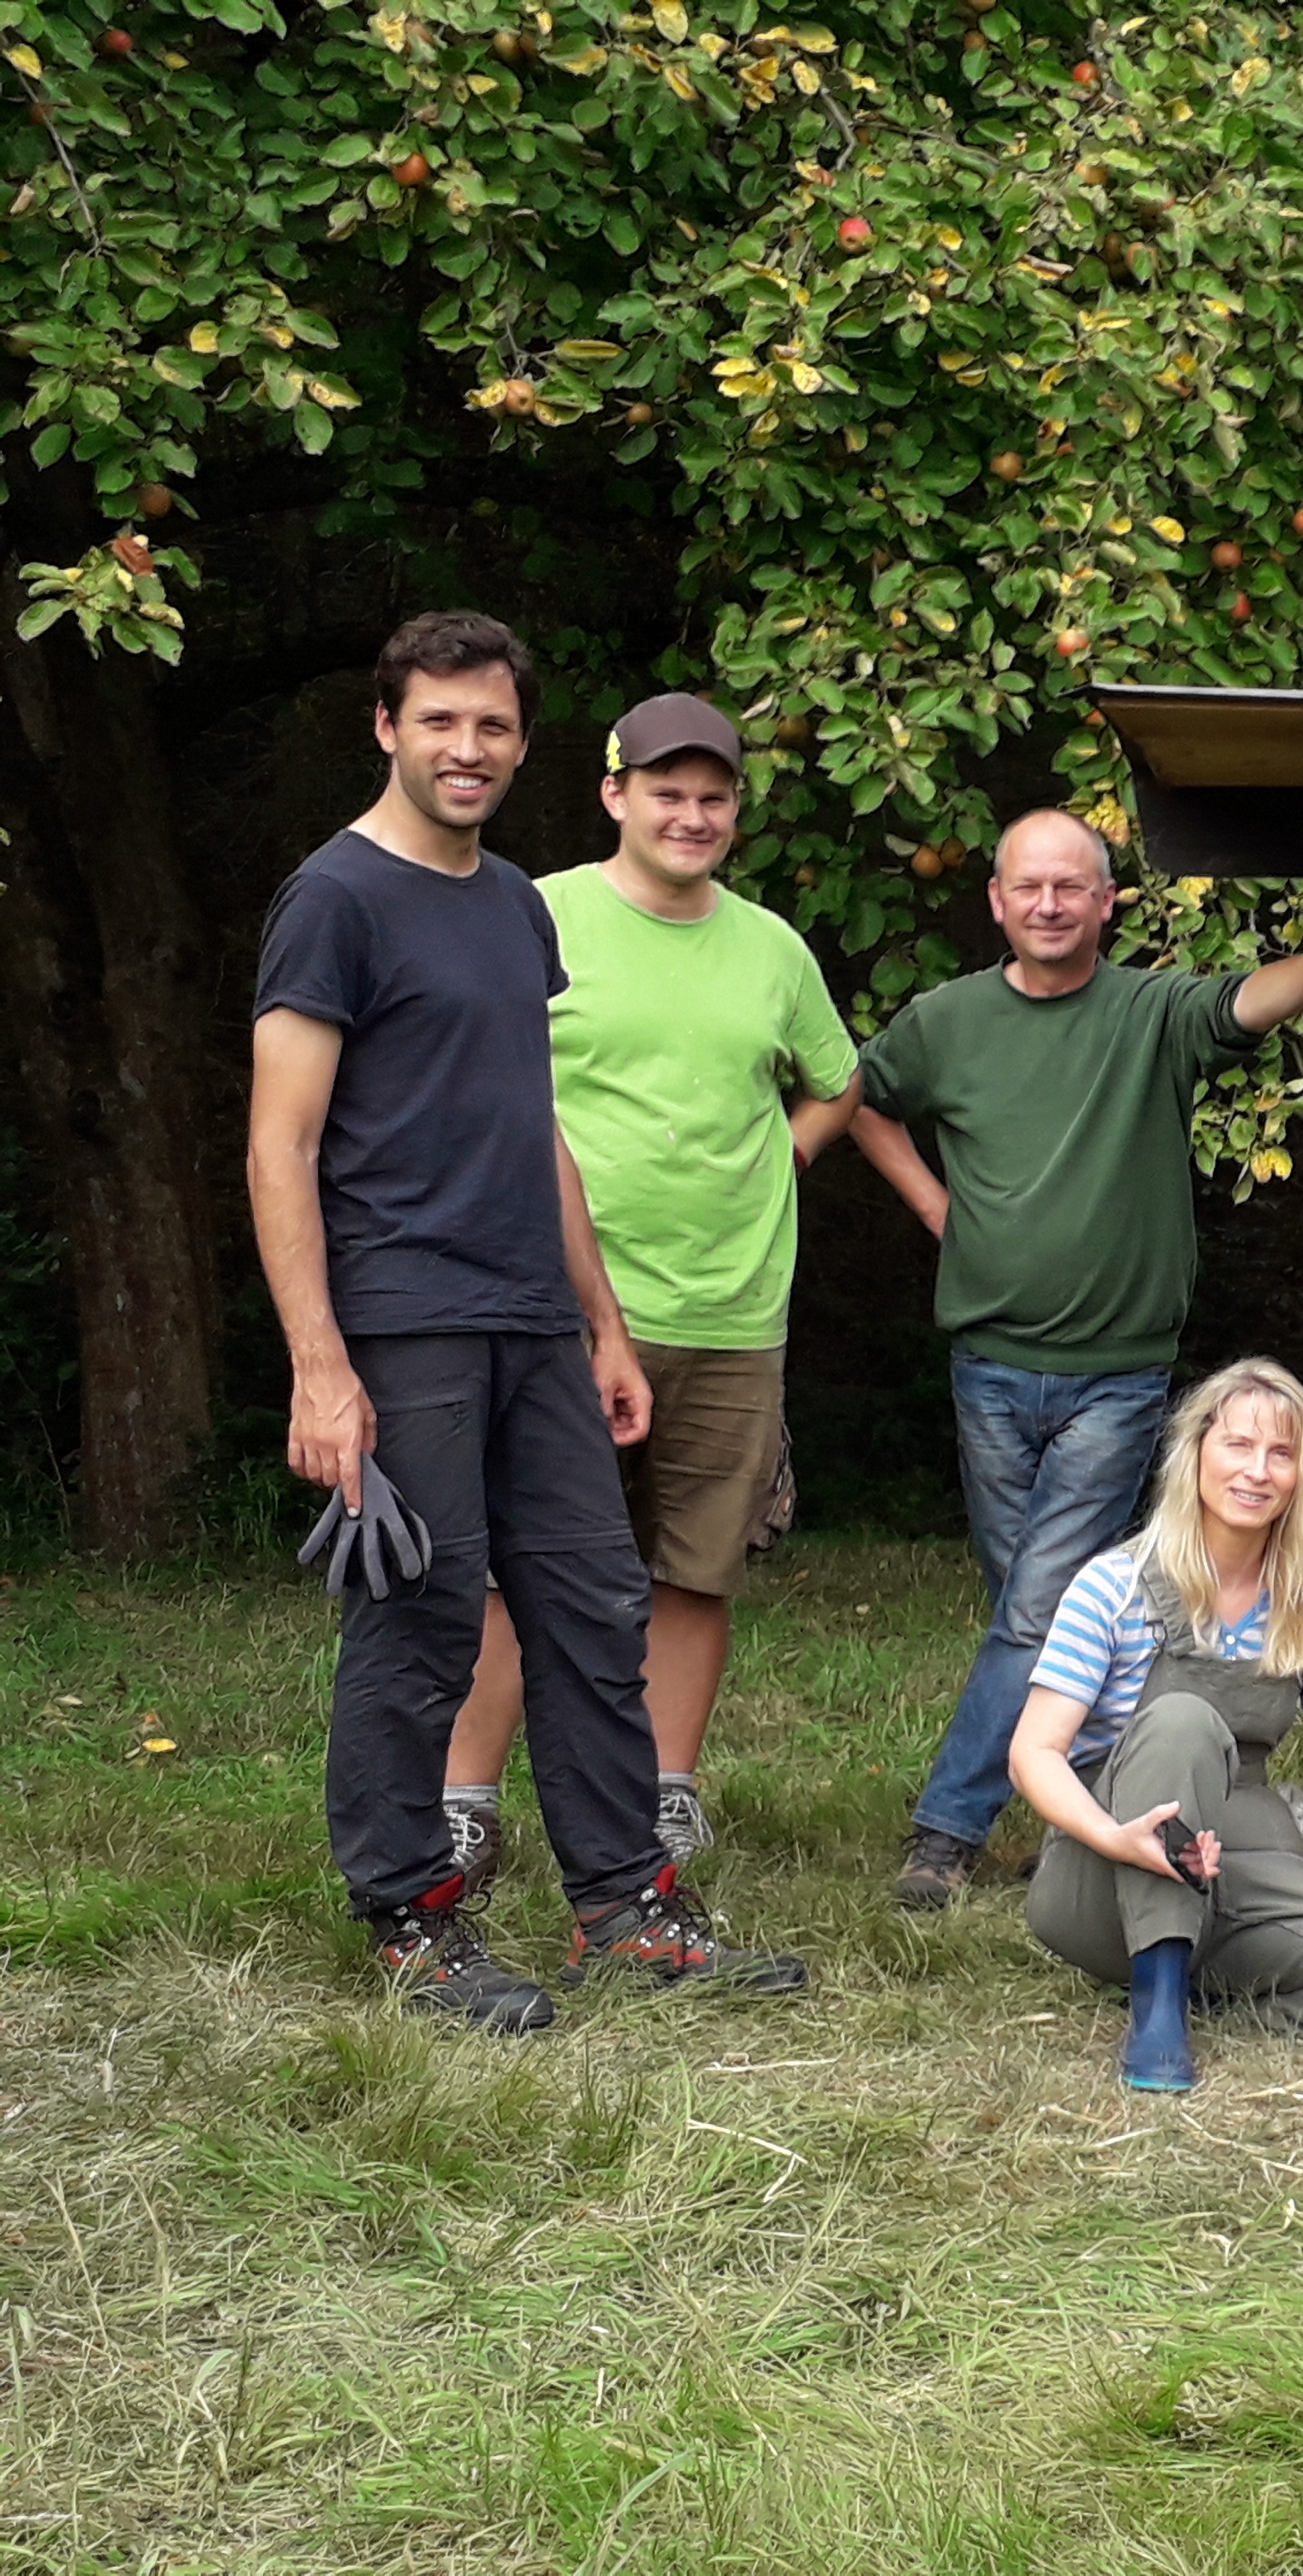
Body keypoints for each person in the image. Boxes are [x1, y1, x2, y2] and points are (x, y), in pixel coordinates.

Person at [246, 613, 803, 2031]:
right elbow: (279, 1144)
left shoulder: (511, 903)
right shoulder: (335, 898)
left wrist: (601, 1325)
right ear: (386, 726)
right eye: (439, 720)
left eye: (491, 725)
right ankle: (409, 1919)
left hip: (535, 1324)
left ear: (522, 743)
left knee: (594, 1604)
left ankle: (625, 1909)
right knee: (425, 1617)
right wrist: (320, 1366)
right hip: (404, 1316)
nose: (467, 747)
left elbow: (536, 1126)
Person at [855, 810, 1303, 1911]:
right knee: (1047, 1613)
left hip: (1117, 1374)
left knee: (1039, 1610)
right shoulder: (945, 1020)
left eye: (1072, 886)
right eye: (1029, 887)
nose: (1050, 904)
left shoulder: (1150, 1013)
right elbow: (862, 1101)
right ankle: (1103, 1807)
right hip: (989, 1364)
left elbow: (1253, 1000)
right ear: (997, 901)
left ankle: (945, 1834)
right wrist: (933, 1203)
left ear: (1107, 903)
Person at [436, 694, 861, 1895]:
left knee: (694, 1567)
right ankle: (464, 1804)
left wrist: (781, 1158)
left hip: (729, 1313)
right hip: (556, 1310)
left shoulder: (772, 948)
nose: (692, 816)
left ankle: (663, 1795)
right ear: (614, 795)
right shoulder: (538, 914)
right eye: (666, 793)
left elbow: (837, 1080)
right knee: (515, 1568)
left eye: (714, 798)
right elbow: (468, 1070)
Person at [1009, 1356, 1303, 2088]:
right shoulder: (1115, 1586)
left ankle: (1213, 1998)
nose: (1257, 1471)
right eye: (1238, 1445)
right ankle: (1157, 2006)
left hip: (1239, 1874)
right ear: (1196, 1453)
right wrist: (1115, 1838)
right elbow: (1033, 1754)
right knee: (1182, 1721)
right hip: (1100, 1880)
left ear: (1302, 1476)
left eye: (1281, 1453)